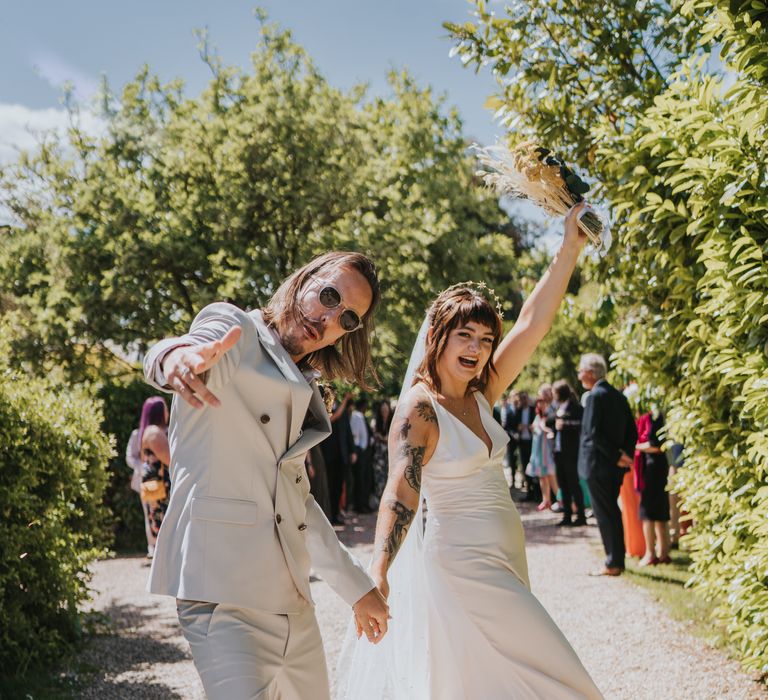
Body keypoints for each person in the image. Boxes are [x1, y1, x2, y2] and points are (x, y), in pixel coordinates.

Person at [339, 203, 603, 699]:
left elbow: (532, 325)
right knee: (563, 678)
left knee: (491, 680)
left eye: (485, 339)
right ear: (438, 338)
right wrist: (378, 569)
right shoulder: (421, 408)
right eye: (465, 335)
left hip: (505, 552)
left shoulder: (481, 394)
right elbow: (400, 491)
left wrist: (569, 245)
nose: (478, 348)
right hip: (462, 563)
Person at [143, 251, 389, 700]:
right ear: (306, 279)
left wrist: (357, 588)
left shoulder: (305, 383)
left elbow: (297, 503)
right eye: (329, 295)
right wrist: (177, 359)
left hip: (294, 605)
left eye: (347, 318)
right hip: (224, 595)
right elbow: (177, 348)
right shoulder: (235, 333)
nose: (329, 317)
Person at [577, 354, 638, 577]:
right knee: (612, 511)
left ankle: (613, 562)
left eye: (581, 371)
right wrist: (626, 456)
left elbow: (593, 434)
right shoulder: (618, 396)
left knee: (605, 514)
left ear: (591, 373)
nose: (579, 375)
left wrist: (615, 456)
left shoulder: (595, 397)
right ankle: (617, 559)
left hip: (598, 465)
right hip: (615, 466)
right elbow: (633, 431)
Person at [125, 396, 168, 558]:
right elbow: (131, 457)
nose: (168, 413)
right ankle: (154, 548)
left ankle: (156, 549)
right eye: (165, 409)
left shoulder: (161, 431)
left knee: (155, 515)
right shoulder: (148, 433)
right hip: (154, 482)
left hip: (156, 482)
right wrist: (143, 468)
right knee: (154, 515)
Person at [635, 408, 671, 565]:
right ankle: (663, 552)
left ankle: (650, 553)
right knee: (661, 512)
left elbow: (656, 445)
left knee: (648, 513)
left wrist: (635, 446)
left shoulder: (655, 417)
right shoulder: (660, 415)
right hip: (658, 467)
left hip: (652, 469)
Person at [552, 380, 586, 527]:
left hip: (571, 452)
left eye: (554, 393)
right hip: (559, 452)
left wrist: (564, 425)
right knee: (563, 485)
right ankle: (567, 515)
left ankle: (581, 516)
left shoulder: (576, 407)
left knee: (574, 485)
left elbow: (582, 425)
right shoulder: (559, 407)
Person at [137, 397, 171, 539]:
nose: (168, 411)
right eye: (165, 408)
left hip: (158, 491)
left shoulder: (149, 431)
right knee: (167, 534)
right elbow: (170, 460)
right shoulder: (154, 433)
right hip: (161, 492)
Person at [525, 398, 558, 511]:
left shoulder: (550, 415)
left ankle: (560, 499)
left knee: (551, 476)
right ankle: (546, 500)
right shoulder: (537, 416)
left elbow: (546, 428)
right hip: (538, 451)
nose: (541, 405)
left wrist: (545, 429)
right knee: (542, 477)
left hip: (547, 450)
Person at [350, 397, 374, 513]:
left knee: (365, 479)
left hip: (365, 451)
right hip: (360, 451)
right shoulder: (356, 416)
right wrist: (358, 450)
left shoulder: (361, 416)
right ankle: (359, 505)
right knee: (360, 480)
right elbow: (356, 434)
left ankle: (364, 504)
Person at [371, 399, 393, 503]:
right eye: (382, 409)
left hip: (390, 455)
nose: (384, 411)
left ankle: (389, 502)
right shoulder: (376, 422)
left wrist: (382, 437)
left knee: (390, 478)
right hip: (379, 455)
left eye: (386, 409)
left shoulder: (393, 421)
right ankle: (380, 502)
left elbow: (389, 438)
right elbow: (376, 435)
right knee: (379, 478)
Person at [514, 390, 536, 499]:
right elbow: (513, 425)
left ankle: (536, 492)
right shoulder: (518, 411)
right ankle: (529, 491)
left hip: (533, 442)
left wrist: (531, 427)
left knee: (533, 466)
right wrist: (518, 428)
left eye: (525, 398)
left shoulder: (533, 410)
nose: (524, 400)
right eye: (522, 398)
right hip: (522, 442)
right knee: (524, 466)